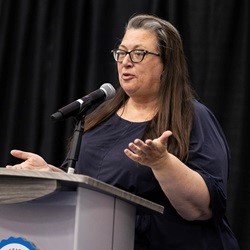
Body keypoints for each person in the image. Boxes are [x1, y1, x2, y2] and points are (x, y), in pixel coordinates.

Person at [6, 14, 239, 249]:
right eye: (121, 52)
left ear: (166, 64)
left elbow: (204, 208)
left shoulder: (192, 117)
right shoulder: (100, 117)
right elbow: (87, 187)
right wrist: (50, 173)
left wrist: (162, 163)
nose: (126, 61)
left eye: (139, 53)